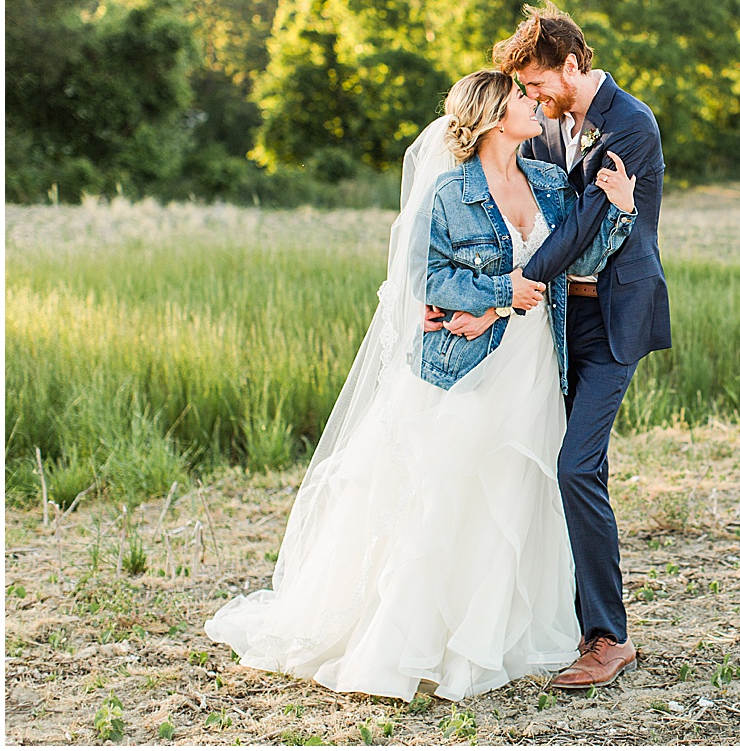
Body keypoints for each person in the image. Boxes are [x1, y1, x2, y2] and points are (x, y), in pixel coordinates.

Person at [204, 70, 638, 702]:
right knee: (450, 488)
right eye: (521, 98)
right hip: (469, 363)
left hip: (537, 361)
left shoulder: (547, 181)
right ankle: (417, 636)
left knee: (514, 490)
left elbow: (581, 261)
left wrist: (619, 211)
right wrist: (497, 293)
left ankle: (494, 634)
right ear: (493, 116)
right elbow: (426, 280)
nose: (533, 103)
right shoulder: (451, 192)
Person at [487, 2, 672, 689]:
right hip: (562, 319)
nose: (530, 96)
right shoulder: (540, 129)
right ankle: (562, 622)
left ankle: (608, 636)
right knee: (547, 462)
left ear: (572, 63)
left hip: (617, 315)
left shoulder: (631, 123)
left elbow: (585, 223)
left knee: (575, 464)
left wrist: (514, 284)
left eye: (537, 82)